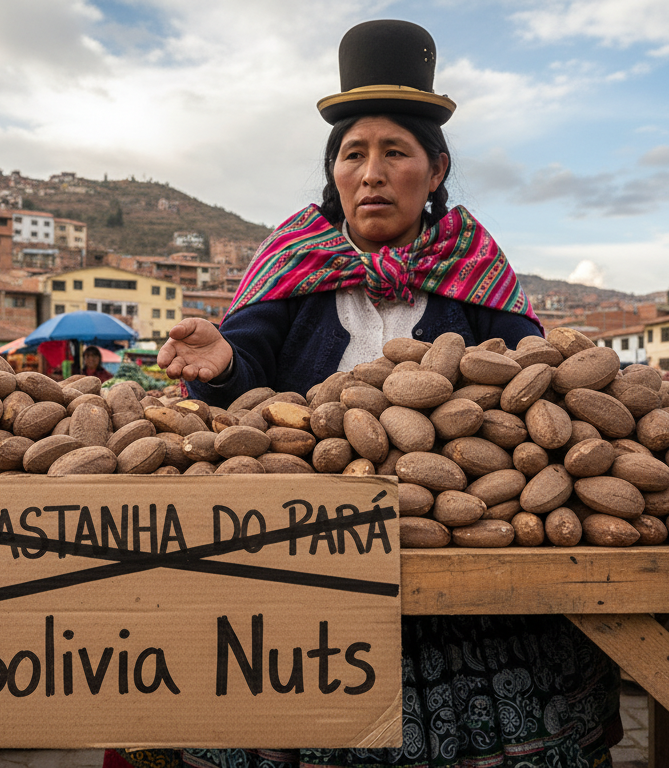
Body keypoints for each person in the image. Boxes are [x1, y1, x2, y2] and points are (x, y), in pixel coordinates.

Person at [134, 19, 623, 768]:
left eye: (394, 153)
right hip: (301, 556)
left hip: (456, 557)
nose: (370, 173)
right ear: (333, 173)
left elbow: (536, 373)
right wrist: (224, 359)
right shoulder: (292, 265)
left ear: (435, 169)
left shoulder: (476, 268)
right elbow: (247, 372)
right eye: (353, 155)